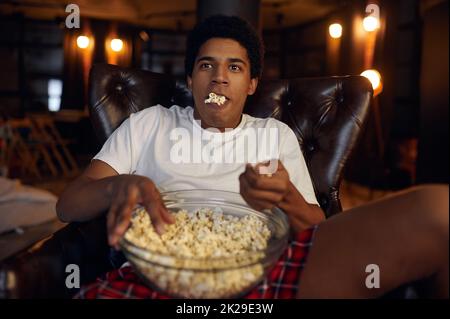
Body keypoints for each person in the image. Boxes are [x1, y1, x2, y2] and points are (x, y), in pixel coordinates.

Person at [57, 15, 448, 299]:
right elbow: (68, 204)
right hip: (161, 276)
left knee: (438, 209)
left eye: (235, 68)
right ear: (191, 78)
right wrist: (119, 185)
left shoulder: (273, 135)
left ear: (251, 84)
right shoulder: (150, 124)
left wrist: (285, 198)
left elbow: (317, 226)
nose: (219, 77)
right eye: (206, 65)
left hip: (264, 272)